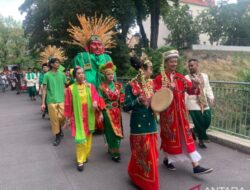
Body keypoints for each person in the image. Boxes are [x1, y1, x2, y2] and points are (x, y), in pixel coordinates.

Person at [154, 50, 213, 175]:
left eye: (175, 61)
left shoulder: (180, 77)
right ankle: (166, 159)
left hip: (181, 114)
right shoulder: (159, 78)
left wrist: (196, 85)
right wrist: (167, 89)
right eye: (171, 61)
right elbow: (156, 95)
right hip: (168, 115)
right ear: (166, 63)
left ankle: (195, 166)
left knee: (186, 137)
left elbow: (191, 90)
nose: (174, 64)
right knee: (168, 137)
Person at [68, 14, 118, 133]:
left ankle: (105, 125)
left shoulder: (106, 57)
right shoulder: (82, 56)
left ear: (103, 46)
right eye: (94, 44)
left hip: (105, 90)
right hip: (88, 90)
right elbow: (76, 72)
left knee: (106, 110)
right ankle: (91, 127)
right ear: (88, 46)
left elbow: (113, 74)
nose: (96, 47)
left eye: (99, 44)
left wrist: (114, 86)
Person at [123, 56, 159, 190]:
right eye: (150, 69)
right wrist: (137, 101)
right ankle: (148, 183)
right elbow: (125, 107)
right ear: (143, 70)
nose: (152, 71)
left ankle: (140, 177)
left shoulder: (151, 84)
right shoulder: (130, 86)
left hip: (151, 123)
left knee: (153, 154)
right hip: (138, 125)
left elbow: (156, 101)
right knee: (142, 154)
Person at [64, 67, 99, 171]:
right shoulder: (70, 89)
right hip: (77, 116)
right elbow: (68, 104)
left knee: (88, 138)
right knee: (80, 140)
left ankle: (85, 156)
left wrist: (95, 102)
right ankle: (80, 160)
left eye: (83, 73)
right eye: (79, 73)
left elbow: (96, 96)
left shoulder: (90, 86)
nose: (81, 75)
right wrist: (68, 118)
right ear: (75, 75)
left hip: (89, 115)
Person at [185, 58, 215, 149]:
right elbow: (185, 92)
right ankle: (201, 141)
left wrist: (211, 97)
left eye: (192, 65)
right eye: (189, 65)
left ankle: (193, 131)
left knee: (207, 120)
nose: (190, 67)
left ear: (197, 65)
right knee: (199, 122)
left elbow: (208, 87)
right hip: (192, 103)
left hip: (204, 101)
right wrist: (184, 105)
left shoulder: (205, 76)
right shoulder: (186, 78)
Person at [99, 62, 124, 162]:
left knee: (118, 130)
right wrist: (101, 111)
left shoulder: (118, 86)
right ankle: (115, 153)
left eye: (112, 74)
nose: (111, 76)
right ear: (105, 75)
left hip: (117, 111)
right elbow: (100, 99)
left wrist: (122, 101)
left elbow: (122, 95)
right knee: (111, 132)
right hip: (108, 112)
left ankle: (113, 148)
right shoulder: (102, 87)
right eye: (109, 74)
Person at [41, 58, 66, 146]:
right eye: (56, 62)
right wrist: (43, 103)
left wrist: (67, 99)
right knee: (54, 119)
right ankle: (57, 136)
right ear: (51, 64)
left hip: (61, 99)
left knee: (62, 117)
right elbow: (44, 89)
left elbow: (64, 87)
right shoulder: (47, 75)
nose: (58, 64)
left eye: (58, 62)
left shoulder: (62, 75)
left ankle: (60, 128)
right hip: (51, 100)